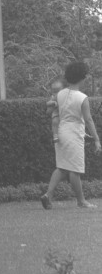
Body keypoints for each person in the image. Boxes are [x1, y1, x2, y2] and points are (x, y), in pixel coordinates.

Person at [41, 61, 101, 211]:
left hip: (61, 132)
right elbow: (88, 120)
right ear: (81, 77)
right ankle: (81, 201)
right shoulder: (82, 98)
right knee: (75, 170)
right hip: (74, 134)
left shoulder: (60, 93)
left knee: (61, 167)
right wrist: (97, 139)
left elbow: (53, 110)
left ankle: (48, 195)